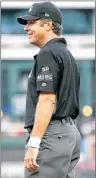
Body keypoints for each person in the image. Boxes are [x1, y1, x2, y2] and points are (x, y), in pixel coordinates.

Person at [17, 2, 81, 178]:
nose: (26, 28)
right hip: (69, 134)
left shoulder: (48, 53)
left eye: (32, 22)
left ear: (48, 24)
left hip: (52, 134)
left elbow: (48, 100)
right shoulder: (67, 54)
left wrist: (34, 144)